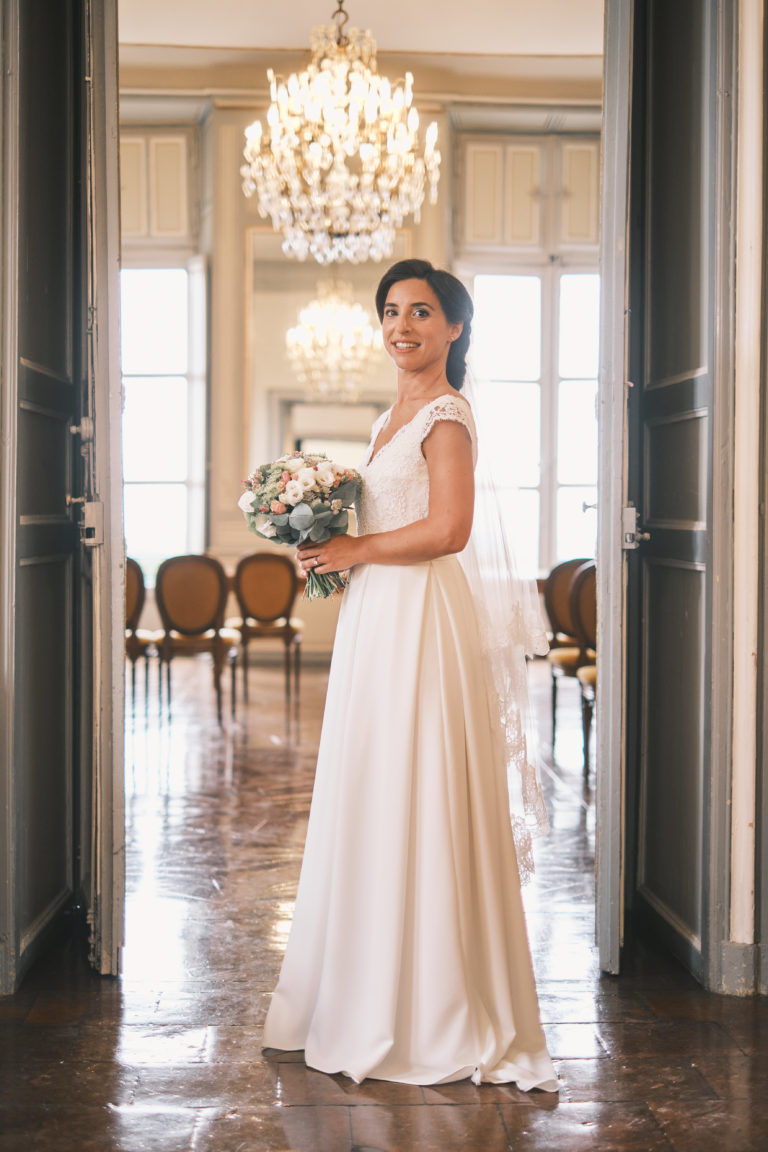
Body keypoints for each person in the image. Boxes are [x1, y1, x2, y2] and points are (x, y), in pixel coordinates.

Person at [262, 258, 558, 1091]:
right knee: (370, 785)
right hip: (375, 618)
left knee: (415, 783)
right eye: (391, 311)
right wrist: (326, 540)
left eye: (422, 312)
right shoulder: (392, 413)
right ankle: (357, 987)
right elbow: (389, 514)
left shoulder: (446, 413)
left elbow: (451, 528)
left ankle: (429, 1007)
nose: (403, 325)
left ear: (455, 329)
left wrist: (355, 548)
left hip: (423, 618)